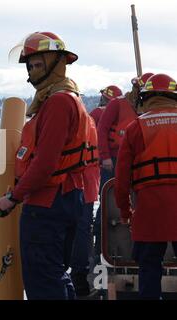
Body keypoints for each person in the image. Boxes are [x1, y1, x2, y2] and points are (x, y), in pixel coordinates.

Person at [0, 31, 93, 299]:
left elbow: (45, 163)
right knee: (57, 275)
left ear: (55, 63)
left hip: (48, 204)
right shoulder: (69, 98)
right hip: (68, 196)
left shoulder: (58, 103)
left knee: (42, 282)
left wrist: (13, 197)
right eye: (30, 66)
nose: (33, 73)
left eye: (38, 64)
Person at [115, 73, 177, 299]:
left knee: (149, 268)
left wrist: (125, 211)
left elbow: (121, 178)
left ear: (144, 98)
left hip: (150, 210)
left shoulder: (135, 127)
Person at [94, 72, 154, 260]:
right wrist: (105, 158)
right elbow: (102, 130)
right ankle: (99, 250)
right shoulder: (117, 104)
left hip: (139, 163)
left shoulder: (148, 108)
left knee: (140, 203)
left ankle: (136, 246)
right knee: (107, 203)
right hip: (113, 160)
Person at [70, 116, 100, 296]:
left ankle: (78, 277)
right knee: (83, 229)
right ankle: (79, 276)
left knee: (78, 231)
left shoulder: (75, 123)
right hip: (90, 183)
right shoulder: (88, 121)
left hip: (78, 185)